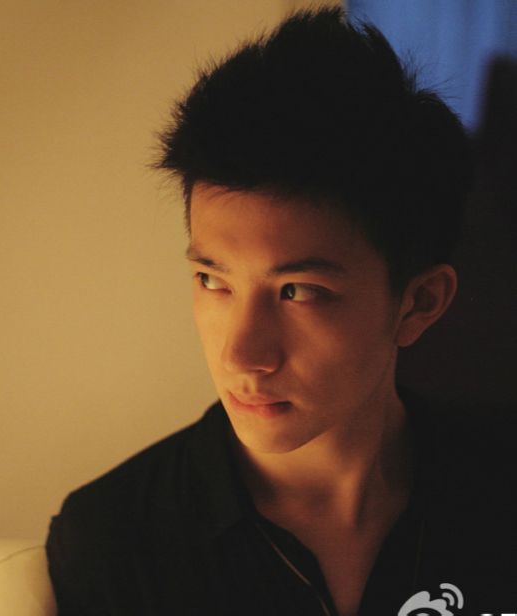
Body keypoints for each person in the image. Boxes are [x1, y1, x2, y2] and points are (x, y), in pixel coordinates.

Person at [46, 7, 517, 616]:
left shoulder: (499, 498)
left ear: (419, 302)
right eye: (212, 281)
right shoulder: (117, 538)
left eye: (297, 291)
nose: (242, 354)